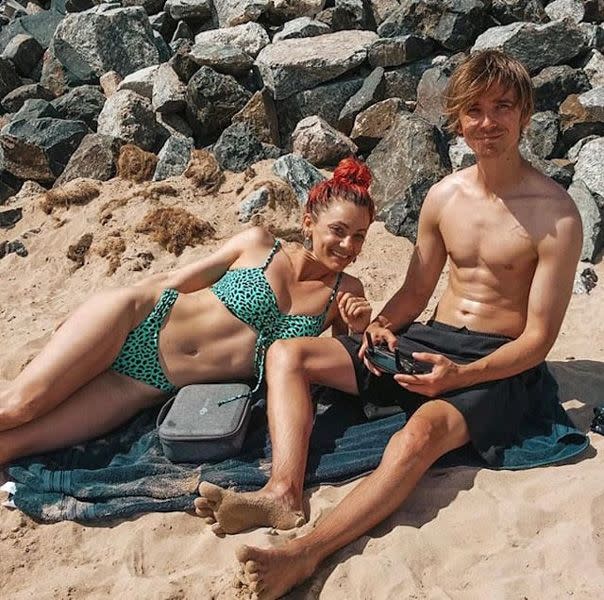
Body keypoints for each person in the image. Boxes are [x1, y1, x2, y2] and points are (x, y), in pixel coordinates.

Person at [196, 50, 584, 599]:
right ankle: (284, 492)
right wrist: (379, 325)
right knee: (290, 354)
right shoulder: (444, 197)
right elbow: (415, 293)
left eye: (502, 107)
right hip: (431, 339)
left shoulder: (557, 214)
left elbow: (538, 341)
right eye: (474, 110)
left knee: (417, 436)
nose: (488, 122)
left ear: (525, 114)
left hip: (497, 365)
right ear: (457, 118)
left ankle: (304, 555)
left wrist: (458, 377)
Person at [0, 157, 375, 468]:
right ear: (309, 223)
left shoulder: (345, 292)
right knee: (19, 406)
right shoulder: (260, 243)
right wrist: (89, 316)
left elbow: (335, 365)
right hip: (134, 321)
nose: (347, 245)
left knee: (16, 443)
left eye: (359, 236)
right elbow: (174, 279)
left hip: (143, 385)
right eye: (338, 230)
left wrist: (357, 329)